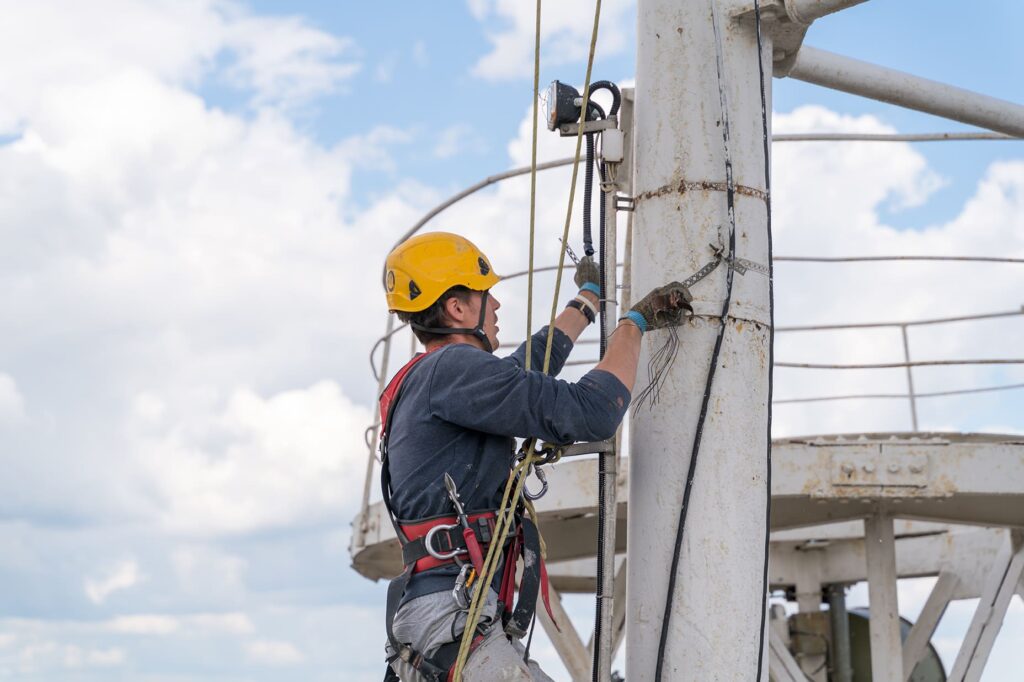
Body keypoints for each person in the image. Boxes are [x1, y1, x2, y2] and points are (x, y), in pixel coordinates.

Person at [379, 231, 691, 681]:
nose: (498, 306)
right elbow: (593, 411)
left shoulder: (433, 378)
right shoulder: (453, 370)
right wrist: (632, 326)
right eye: (486, 295)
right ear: (457, 308)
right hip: (451, 617)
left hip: (444, 617)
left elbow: (523, 370)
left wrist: (586, 302)